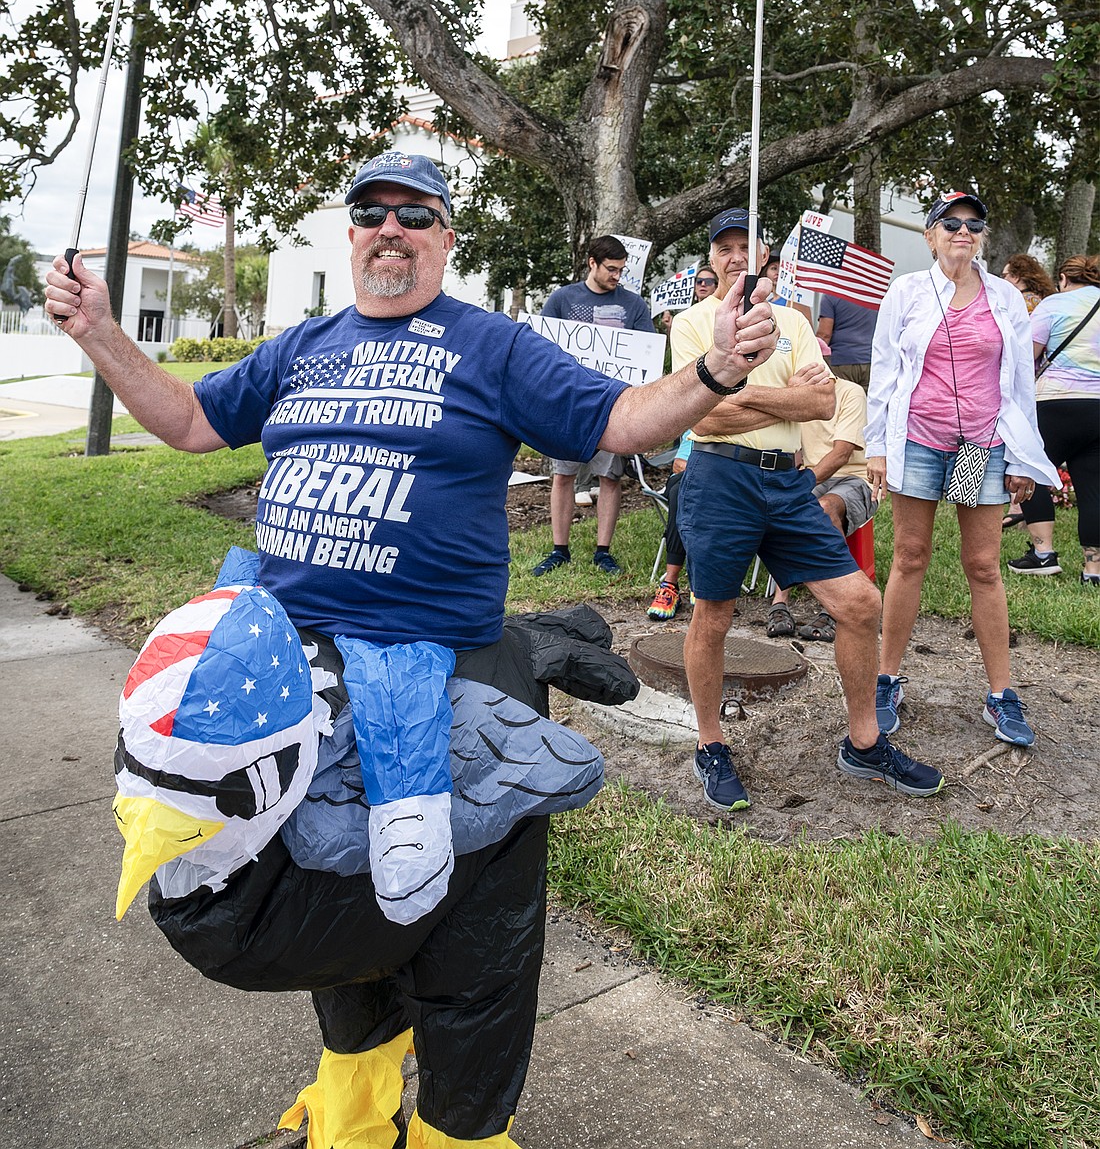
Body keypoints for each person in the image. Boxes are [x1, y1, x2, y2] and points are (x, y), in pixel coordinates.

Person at [45, 152, 778, 1149]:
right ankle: (355, 1094)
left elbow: (616, 417)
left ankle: (459, 1128)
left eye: (415, 213)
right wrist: (99, 329)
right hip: (303, 673)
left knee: (463, 923)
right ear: (351, 232)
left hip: (444, 674)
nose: (391, 227)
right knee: (324, 885)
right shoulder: (301, 346)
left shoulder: (492, 345)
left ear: (444, 236)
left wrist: (714, 370)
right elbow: (187, 420)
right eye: (371, 210)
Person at [670, 206, 944, 813]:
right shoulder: (692, 323)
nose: (736, 257)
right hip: (720, 478)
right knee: (713, 614)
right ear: (711, 257)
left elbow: (823, 404)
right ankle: (711, 744)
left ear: (765, 254)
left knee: (860, 603)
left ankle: (864, 742)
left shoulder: (793, 320)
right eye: (724, 247)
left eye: (747, 245)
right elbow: (703, 417)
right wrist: (780, 399)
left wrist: (742, 394)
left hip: (790, 483)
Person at [866, 191, 1059, 752]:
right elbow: (884, 371)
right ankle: (886, 680)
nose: (962, 232)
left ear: (983, 237)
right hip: (919, 441)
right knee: (910, 556)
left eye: (973, 225)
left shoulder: (1004, 296)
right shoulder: (906, 291)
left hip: (982, 444)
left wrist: (1022, 456)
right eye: (949, 223)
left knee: (983, 565)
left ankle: (1001, 693)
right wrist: (876, 447)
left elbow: (1020, 382)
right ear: (930, 235)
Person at [533, 235, 654, 576]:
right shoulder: (562, 299)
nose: (617, 276)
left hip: (614, 405)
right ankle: (559, 550)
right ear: (592, 263)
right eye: (611, 269)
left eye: (621, 270)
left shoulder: (634, 305)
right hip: (569, 404)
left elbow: (646, 352)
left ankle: (604, 551)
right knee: (563, 475)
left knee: (610, 478)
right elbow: (541, 345)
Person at [1007, 255, 1100, 585]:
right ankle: (1093, 570)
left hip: (1057, 401)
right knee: (1093, 488)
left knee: (1031, 469)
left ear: (1063, 279)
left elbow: (1026, 357)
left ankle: (1043, 554)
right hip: (1098, 407)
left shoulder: (1053, 305)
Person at [767, 369, 876, 641]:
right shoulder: (795, 395)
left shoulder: (850, 392)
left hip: (855, 477)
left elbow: (842, 453)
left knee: (824, 507)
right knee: (784, 506)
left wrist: (801, 485)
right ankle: (779, 603)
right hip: (813, 475)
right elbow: (790, 450)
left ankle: (835, 609)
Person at [999, 253, 1058, 528]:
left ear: (1017, 277)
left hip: (1026, 378)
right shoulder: (1043, 301)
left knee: (1020, 442)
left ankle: (1019, 505)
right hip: (1042, 376)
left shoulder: (1021, 302)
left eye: (1006, 275)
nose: (1002, 279)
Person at [646, 430, 692, 620]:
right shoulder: (701, 423)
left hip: (719, 488)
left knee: (688, 493)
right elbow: (679, 464)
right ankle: (670, 584)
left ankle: (697, 580)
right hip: (685, 480)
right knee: (681, 492)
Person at [817, 292, 879, 389]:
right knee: (865, 398)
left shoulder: (831, 295)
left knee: (842, 397)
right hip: (870, 361)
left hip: (841, 362)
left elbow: (824, 335)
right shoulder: (875, 294)